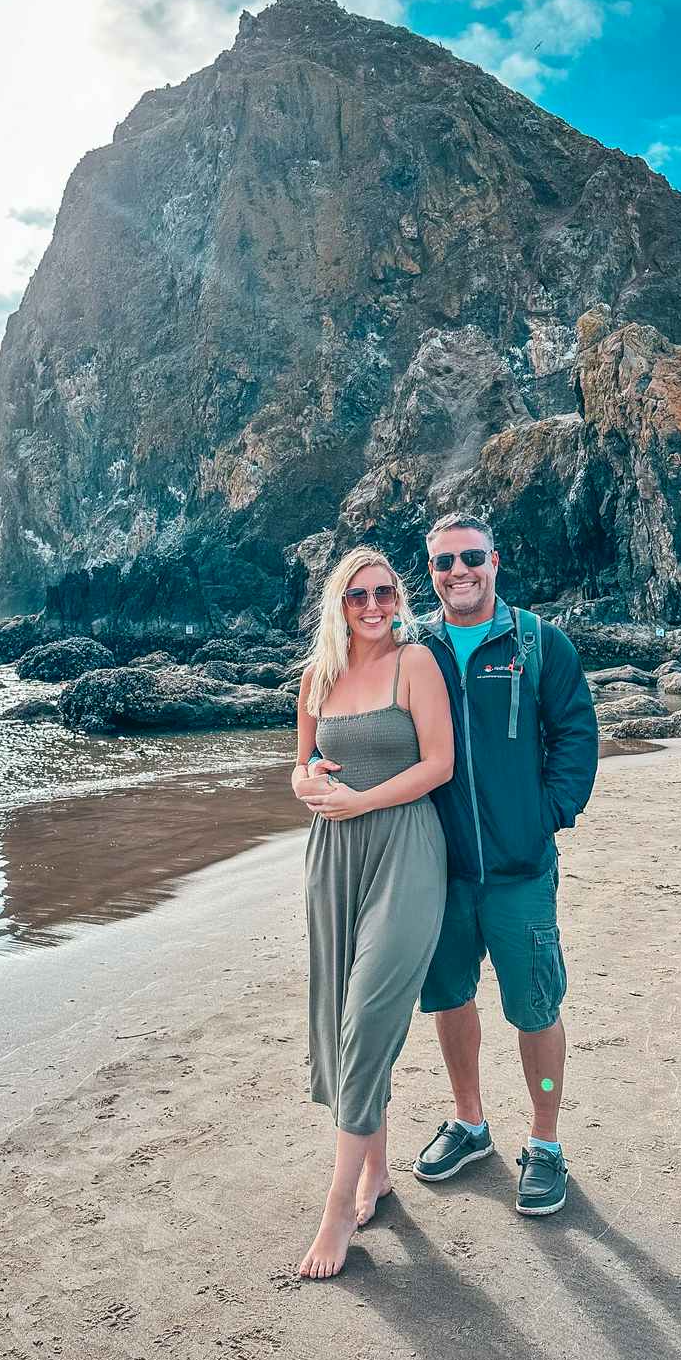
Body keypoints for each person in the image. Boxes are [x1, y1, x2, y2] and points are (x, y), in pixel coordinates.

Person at [300, 513, 599, 1218]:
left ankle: (546, 1140)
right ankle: (470, 1121)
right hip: (434, 869)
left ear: (496, 560)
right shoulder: (418, 644)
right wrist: (311, 770)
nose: (458, 572)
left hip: (519, 868)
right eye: (443, 563)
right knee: (448, 999)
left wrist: (548, 812)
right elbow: (355, 717)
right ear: (428, 574)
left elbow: (578, 732)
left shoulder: (536, 643)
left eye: (471, 558)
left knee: (535, 1008)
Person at [291, 546, 454, 1279]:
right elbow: (300, 765)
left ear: (400, 596)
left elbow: (438, 765)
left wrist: (360, 799)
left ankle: (336, 1207)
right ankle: (377, 1172)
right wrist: (307, 784)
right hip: (333, 858)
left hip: (407, 850)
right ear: (338, 603)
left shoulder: (414, 663)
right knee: (342, 1016)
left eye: (384, 592)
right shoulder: (317, 675)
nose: (373, 606)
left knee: (367, 1015)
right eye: (357, 596)